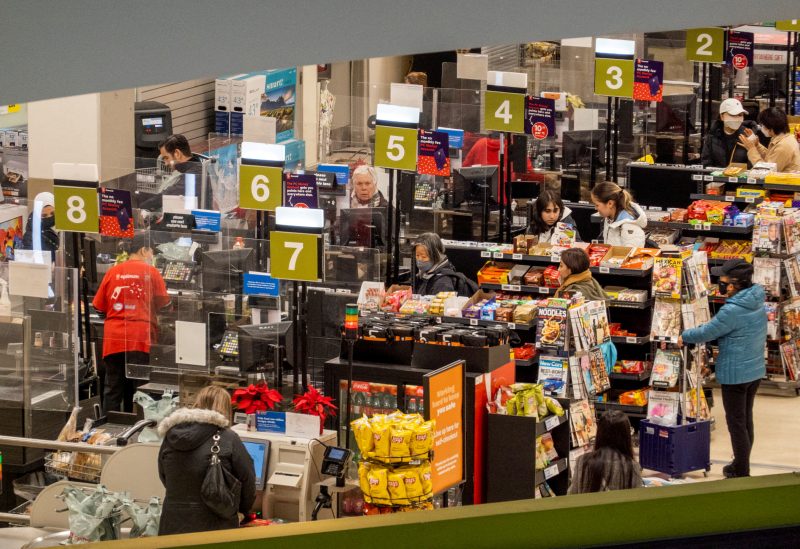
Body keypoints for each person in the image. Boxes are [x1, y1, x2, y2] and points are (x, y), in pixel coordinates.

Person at [679, 259, 767, 478]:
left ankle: (741, 470)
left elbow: (708, 332)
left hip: (735, 374)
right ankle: (740, 463)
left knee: (736, 424)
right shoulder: (755, 299)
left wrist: (683, 335)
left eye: (723, 279)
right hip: (754, 369)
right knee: (746, 419)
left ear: (733, 284)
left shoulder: (733, 310)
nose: (720, 283)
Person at [158, 386, 256, 535]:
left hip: (172, 522)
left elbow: (163, 475)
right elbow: (247, 480)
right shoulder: (228, 438)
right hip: (215, 523)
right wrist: (242, 510)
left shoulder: (171, 435)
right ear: (225, 408)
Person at [92, 235, 170, 413]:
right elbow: (165, 305)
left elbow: (99, 308)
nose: (152, 256)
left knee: (113, 388)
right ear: (144, 250)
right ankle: (143, 430)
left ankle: (106, 431)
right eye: (151, 251)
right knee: (143, 389)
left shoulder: (113, 271)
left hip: (114, 339)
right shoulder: (151, 272)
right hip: (140, 338)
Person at [568, 410, 642, 494]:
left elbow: (571, 496)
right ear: (626, 436)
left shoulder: (582, 462)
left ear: (599, 433)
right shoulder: (632, 467)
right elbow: (637, 501)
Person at [140, 134, 204, 211]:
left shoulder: (194, 174)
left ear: (177, 153)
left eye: (166, 158)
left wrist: (140, 207)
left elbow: (169, 194)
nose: (166, 163)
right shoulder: (194, 167)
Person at [700, 99, 759, 168]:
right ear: (722, 117)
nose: (737, 119)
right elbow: (706, 163)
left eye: (740, 115)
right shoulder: (712, 136)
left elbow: (753, 164)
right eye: (733, 115)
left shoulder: (748, 135)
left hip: (741, 177)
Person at [738, 107, 800, 173]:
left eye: (762, 125)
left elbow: (765, 171)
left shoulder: (784, 145)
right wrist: (757, 145)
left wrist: (751, 149)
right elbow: (770, 157)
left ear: (771, 126)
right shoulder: (782, 138)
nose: (761, 127)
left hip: (783, 182)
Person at [413, 232, 475, 296]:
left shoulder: (443, 283)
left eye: (424, 257)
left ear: (436, 256)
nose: (419, 259)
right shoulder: (424, 274)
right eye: (417, 255)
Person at [591, 182, 647, 248]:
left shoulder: (629, 226)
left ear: (610, 203)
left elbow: (632, 254)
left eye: (597, 205)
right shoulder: (610, 217)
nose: (595, 208)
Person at [21, 191, 59, 259]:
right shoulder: (30, 237)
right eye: (44, 215)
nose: (49, 217)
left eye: (52, 213)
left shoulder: (62, 224)